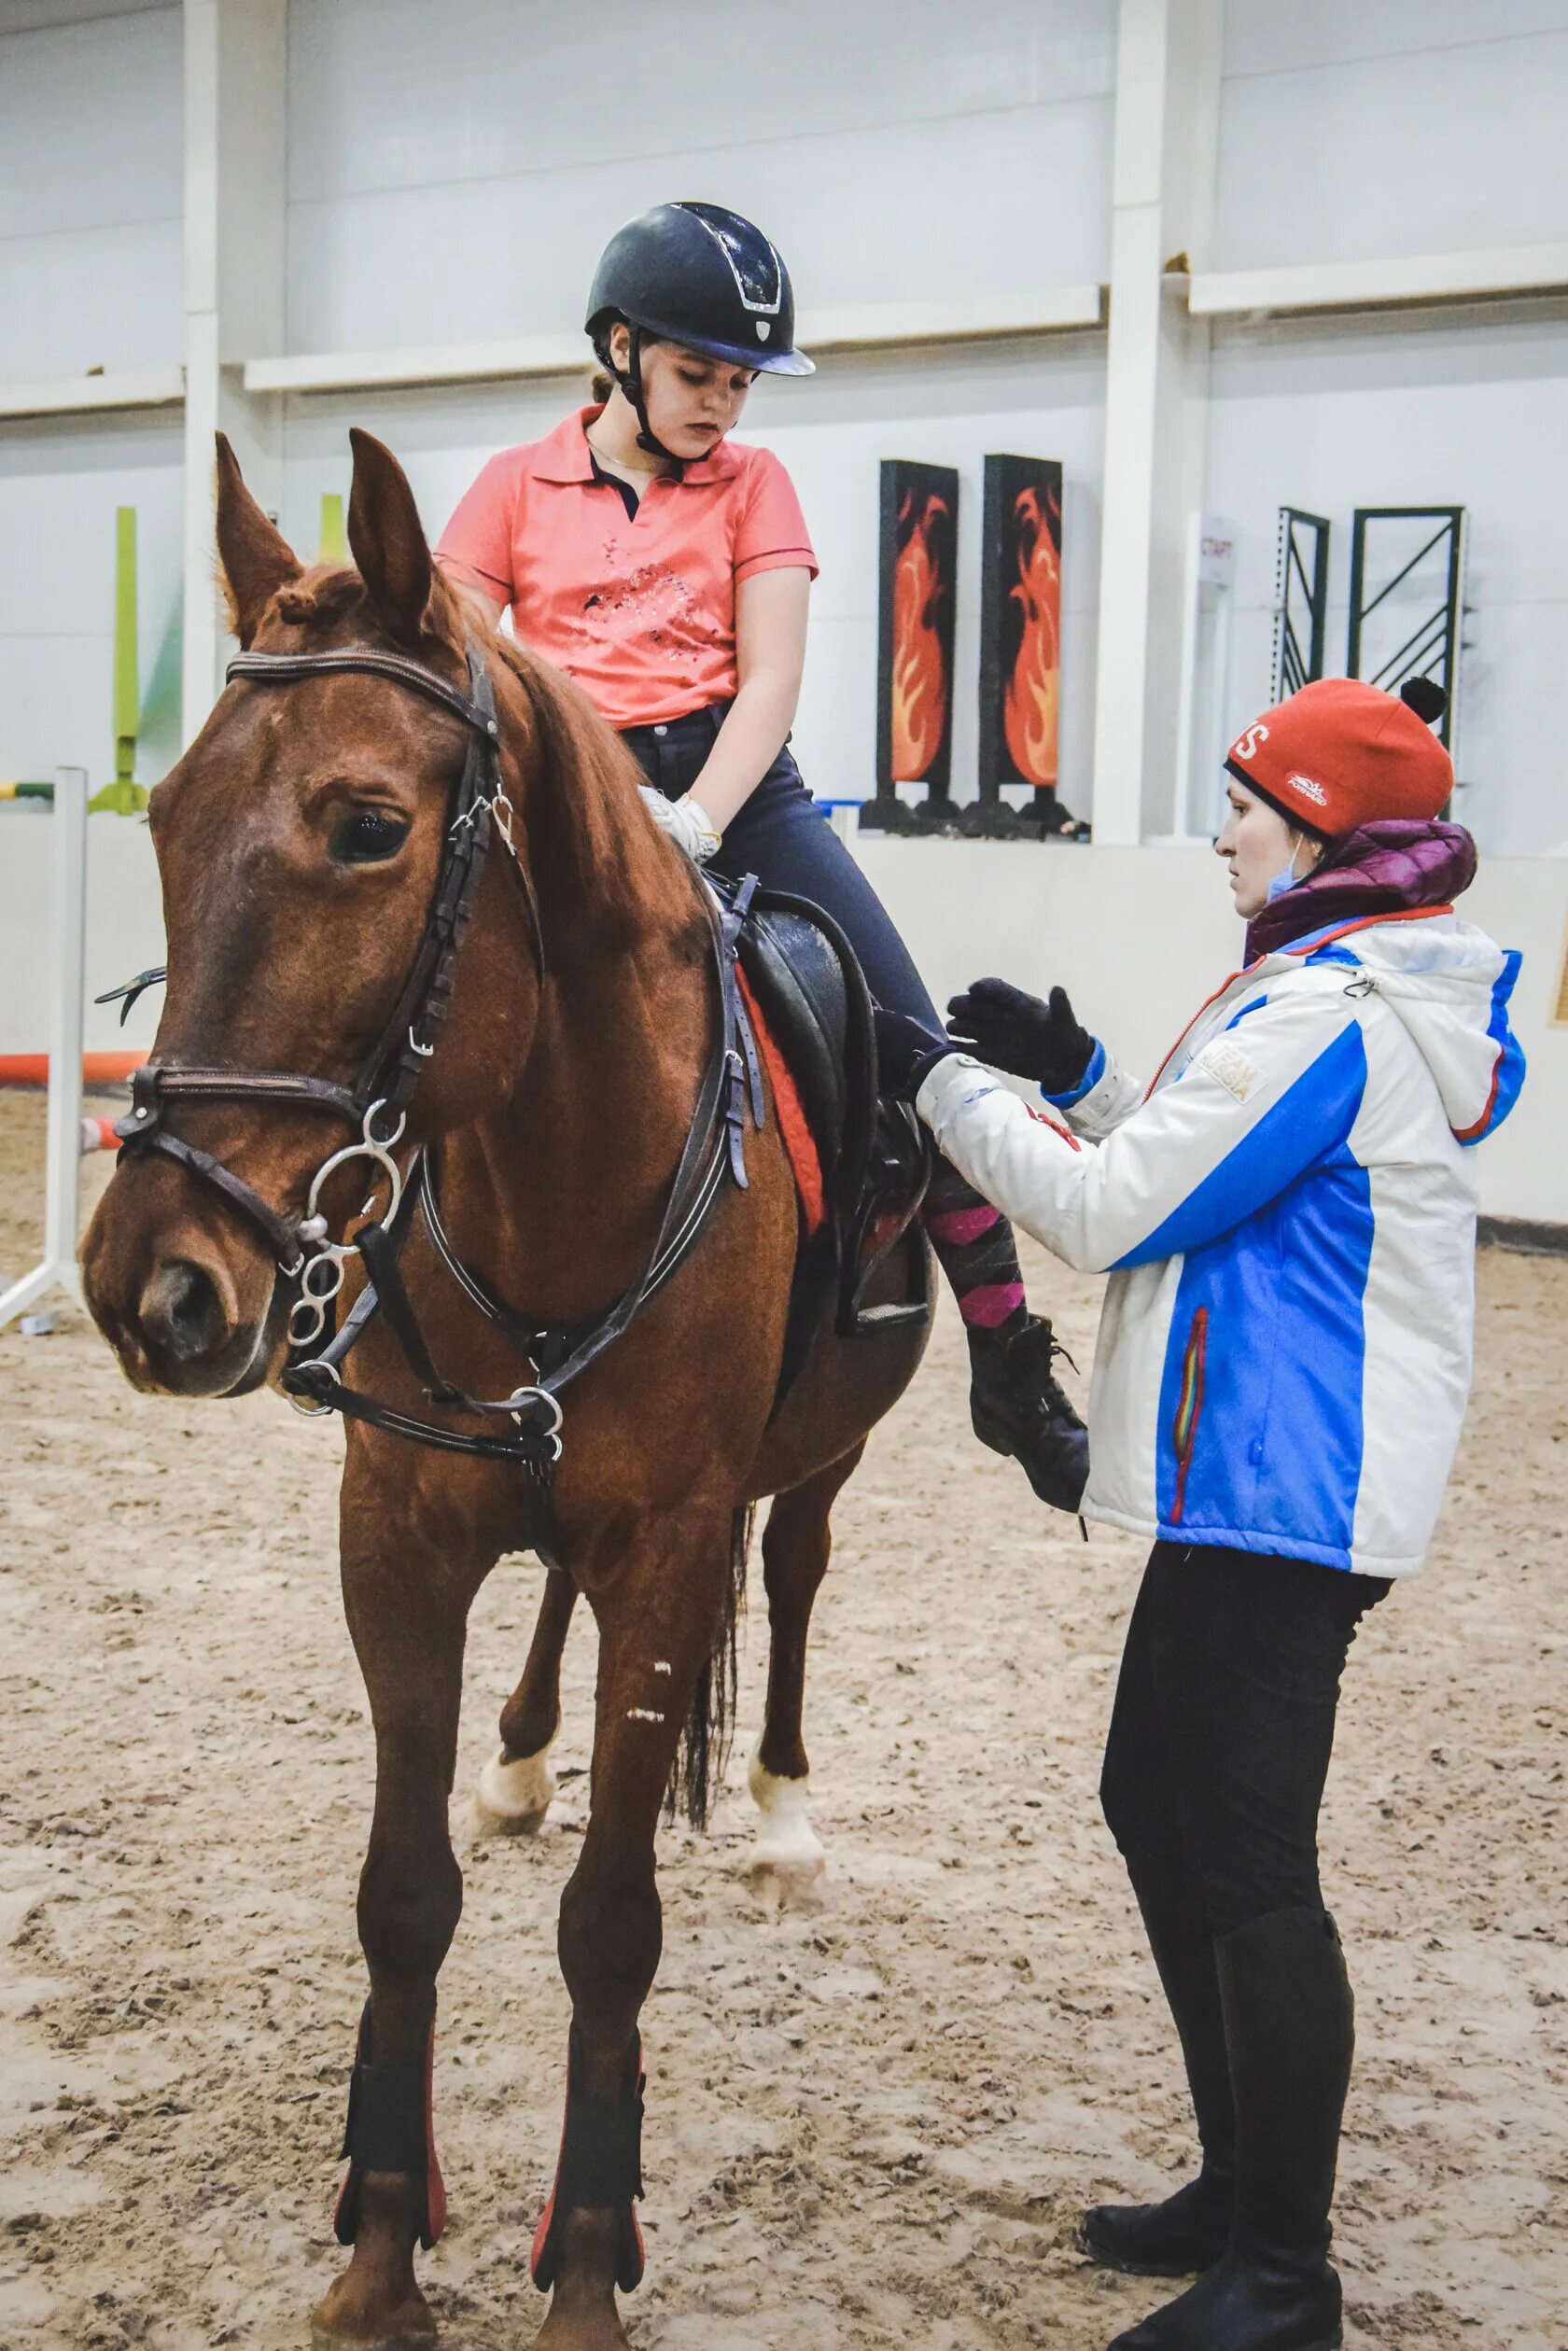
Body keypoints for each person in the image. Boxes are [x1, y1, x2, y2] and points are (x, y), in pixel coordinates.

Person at [875, 677, 1525, 2351]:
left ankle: (1287, 2278)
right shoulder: (1318, 983)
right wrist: (1074, 1064)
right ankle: (1241, 2192)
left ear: (1320, 828)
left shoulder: (1338, 1012)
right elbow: (1190, 1163)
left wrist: (937, 1085)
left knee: (1246, 1860)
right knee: (1152, 1804)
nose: (1224, 828)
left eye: (1249, 802)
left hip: (1289, 1497)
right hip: (1241, 1483)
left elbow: (1109, 1212)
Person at [434, 200, 1086, 1509]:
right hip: (572, 793)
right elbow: (460, 664)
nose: (723, 404)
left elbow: (772, 680)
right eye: (697, 375)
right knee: (418, 991)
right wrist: (588, 801)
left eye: (739, 382)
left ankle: (1009, 1357)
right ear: (618, 350)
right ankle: (332, 1284)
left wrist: (697, 819)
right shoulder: (509, 488)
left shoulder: (757, 487)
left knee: (916, 1047)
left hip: (740, 788)